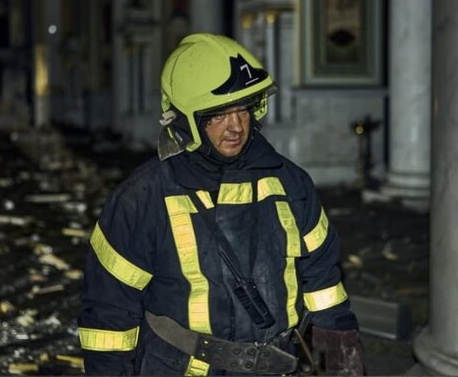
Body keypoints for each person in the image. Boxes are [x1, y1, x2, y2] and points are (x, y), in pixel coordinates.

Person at [78, 33, 364, 375]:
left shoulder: (291, 183)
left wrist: (342, 356)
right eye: (218, 114)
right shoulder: (142, 198)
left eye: (243, 108)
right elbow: (109, 313)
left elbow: (324, 281)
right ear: (187, 117)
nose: (236, 126)